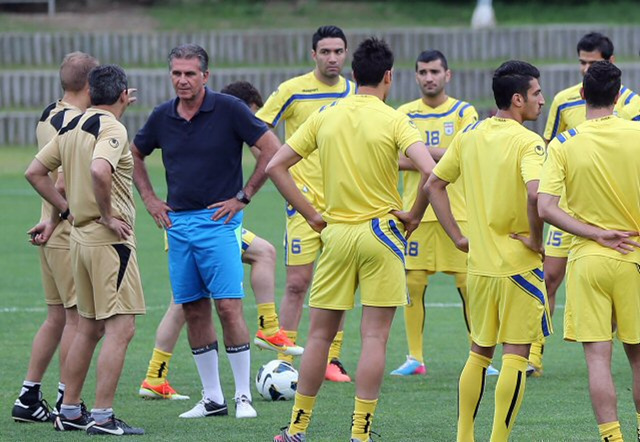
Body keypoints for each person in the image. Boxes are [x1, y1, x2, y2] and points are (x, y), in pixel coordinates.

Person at [268, 37, 435, 442]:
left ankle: (296, 429)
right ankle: (360, 433)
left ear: (353, 74)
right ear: (389, 78)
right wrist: (414, 214)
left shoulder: (326, 114)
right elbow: (433, 173)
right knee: (374, 336)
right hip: (382, 234)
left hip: (336, 234)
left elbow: (276, 165)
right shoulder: (395, 119)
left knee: (319, 336)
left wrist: (311, 214)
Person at [131, 44, 280, 419]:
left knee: (229, 307)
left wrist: (243, 197)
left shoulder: (229, 109)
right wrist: (149, 198)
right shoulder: (162, 116)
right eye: (176, 74)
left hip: (219, 223)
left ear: (205, 76)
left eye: (190, 74)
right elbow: (134, 154)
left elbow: (271, 149)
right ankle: (213, 399)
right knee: (194, 309)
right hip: (178, 225)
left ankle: (243, 397)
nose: (182, 80)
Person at [426, 60, 551, 442]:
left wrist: (458, 237)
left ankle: (465, 437)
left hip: (479, 267)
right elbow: (535, 193)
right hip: (518, 268)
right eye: (536, 93)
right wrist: (536, 238)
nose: (542, 101)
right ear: (517, 99)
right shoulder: (528, 142)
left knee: (479, 354)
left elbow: (433, 185)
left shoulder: (470, 134)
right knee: (515, 358)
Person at [25, 64, 145, 435]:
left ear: (91, 93)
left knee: (87, 328)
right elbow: (98, 171)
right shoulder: (112, 127)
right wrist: (108, 215)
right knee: (121, 329)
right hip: (109, 243)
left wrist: (61, 214)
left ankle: (71, 410)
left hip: (77, 240)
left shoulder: (71, 126)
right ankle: (104, 417)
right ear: (124, 94)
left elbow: (36, 172)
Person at [538, 61, 640, 442]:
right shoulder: (638, 133)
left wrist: (596, 234)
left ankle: (613, 438)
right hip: (635, 256)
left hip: (588, 259)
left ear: (581, 96)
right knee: (638, 357)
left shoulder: (564, 144)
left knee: (598, 358)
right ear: (619, 95)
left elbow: (545, 207)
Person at [256, 25, 355, 382]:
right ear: (313, 54)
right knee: (298, 282)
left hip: (345, 206)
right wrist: (282, 165)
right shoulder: (292, 91)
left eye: (338, 51)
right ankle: (286, 359)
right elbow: (258, 126)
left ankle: (332, 360)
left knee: (341, 284)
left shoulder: (354, 94)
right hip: (302, 204)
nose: (332, 58)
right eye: (325, 51)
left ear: (346, 54)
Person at [391, 49, 495, 376]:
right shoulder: (403, 114)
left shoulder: (465, 112)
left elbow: (469, 152)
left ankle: (480, 354)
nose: (429, 77)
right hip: (416, 211)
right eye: (422, 72)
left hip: (458, 211)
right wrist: (447, 155)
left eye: (435, 71)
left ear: (447, 75)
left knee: (468, 282)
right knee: (415, 281)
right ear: (416, 76)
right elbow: (393, 157)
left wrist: (420, 155)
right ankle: (414, 358)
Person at [11, 52, 98, 424]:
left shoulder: (50, 112)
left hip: (47, 227)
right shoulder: (76, 122)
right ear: (90, 85)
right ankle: (68, 403)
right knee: (79, 321)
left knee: (56, 319)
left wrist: (50, 215)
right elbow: (60, 178)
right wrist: (64, 211)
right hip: (65, 233)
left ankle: (28, 398)